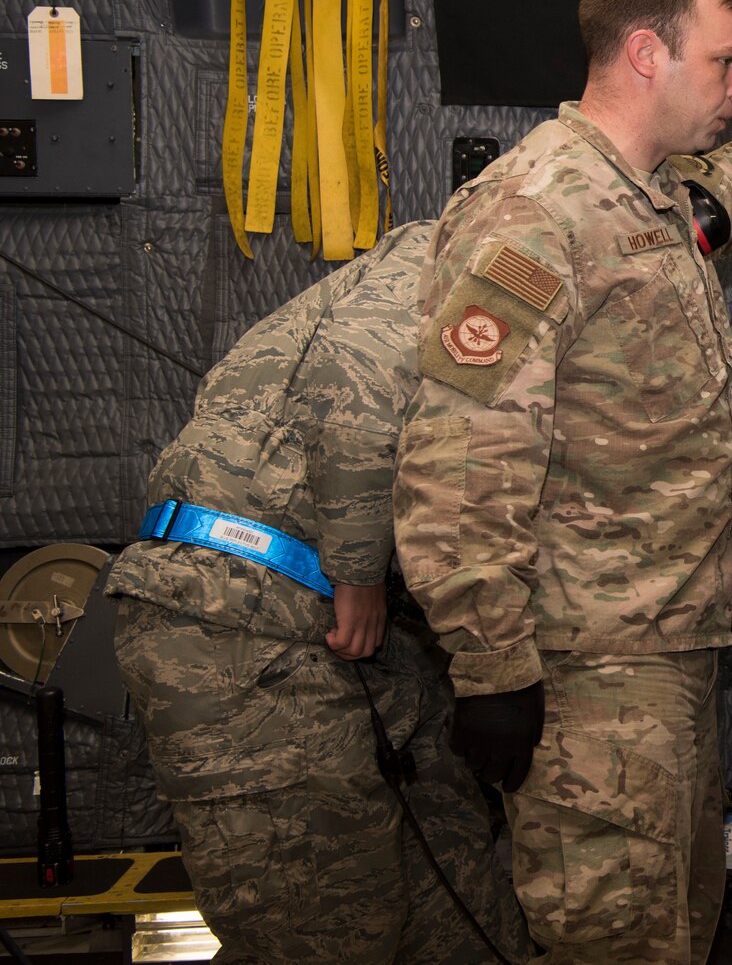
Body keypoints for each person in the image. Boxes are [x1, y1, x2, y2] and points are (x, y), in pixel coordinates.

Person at [394, 0, 732, 964]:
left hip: (665, 657)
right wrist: (491, 666)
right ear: (647, 52)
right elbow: (461, 454)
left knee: (674, 931)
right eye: (725, 65)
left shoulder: (647, 200)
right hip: (586, 678)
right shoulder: (535, 212)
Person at [107, 220, 533, 965]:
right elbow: (355, 382)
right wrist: (359, 572)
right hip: (239, 619)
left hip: (373, 653)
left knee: (462, 910)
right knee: (327, 928)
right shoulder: (497, 243)